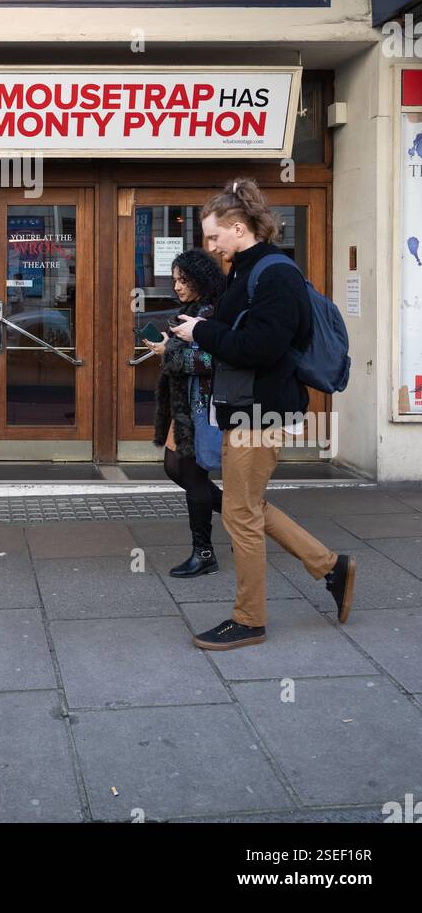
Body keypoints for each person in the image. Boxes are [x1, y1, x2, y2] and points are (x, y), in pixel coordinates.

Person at [171, 177, 355, 651]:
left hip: (262, 412)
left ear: (237, 227)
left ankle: (249, 619)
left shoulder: (275, 273)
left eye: (214, 236)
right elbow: (244, 332)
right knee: (248, 505)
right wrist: (207, 327)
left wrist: (201, 334)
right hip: (245, 408)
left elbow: (262, 347)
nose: (209, 246)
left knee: (240, 515)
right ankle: (330, 565)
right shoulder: (245, 269)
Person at [145, 249, 226, 577]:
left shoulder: (214, 312)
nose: (177, 286)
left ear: (201, 279)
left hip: (202, 407)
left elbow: (215, 361)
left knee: (191, 475)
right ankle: (246, 519)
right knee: (174, 467)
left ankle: (204, 552)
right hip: (185, 406)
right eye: (175, 280)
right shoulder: (193, 309)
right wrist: (169, 346)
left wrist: (170, 354)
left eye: (184, 280)